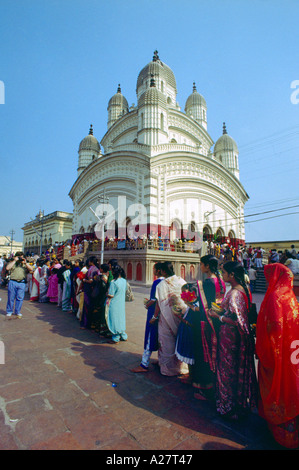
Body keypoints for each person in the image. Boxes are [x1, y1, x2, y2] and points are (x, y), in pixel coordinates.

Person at [255, 263, 299, 449]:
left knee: (276, 386)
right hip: (291, 352)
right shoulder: (291, 296)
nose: (266, 281)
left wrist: (263, 349)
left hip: (276, 353)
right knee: (289, 385)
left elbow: (273, 328)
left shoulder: (274, 297)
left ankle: (278, 427)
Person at [208, 261, 257, 420]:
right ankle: (237, 404)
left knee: (227, 371)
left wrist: (218, 316)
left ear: (232, 275)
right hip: (236, 339)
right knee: (235, 370)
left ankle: (227, 406)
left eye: (224, 272)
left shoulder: (235, 293)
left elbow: (238, 321)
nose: (222, 275)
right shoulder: (243, 289)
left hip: (230, 338)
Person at [188, 255, 226, 400]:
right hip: (216, 321)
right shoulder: (221, 281)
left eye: (201, 264)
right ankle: (215, 383)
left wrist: (192, 307)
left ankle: (204, 387)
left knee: (204, 352)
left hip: (205, 323)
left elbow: (206, 307)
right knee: (214, 351)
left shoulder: (207, 283)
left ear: (207, 266)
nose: (200, 267)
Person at [151, 261, 188, 377]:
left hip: (166, 319)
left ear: (163, 271)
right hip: (181, 316)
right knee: (179, 340)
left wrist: (154, 317)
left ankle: (168, 369)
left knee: (166, 342)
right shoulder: (181, 281)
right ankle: (181, 367)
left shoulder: (161, 285)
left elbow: (158, 303)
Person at [131, 262, 164, 373]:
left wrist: (147, 304)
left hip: (154, 313)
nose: (153, 270)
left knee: (150, 336)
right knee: (161, 337)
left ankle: (144, 363)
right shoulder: (167, 282)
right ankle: (161, 360)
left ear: (158, 270)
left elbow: (154, 300)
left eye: (154, 269)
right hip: (164, 314)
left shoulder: (157, 283)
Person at [5, 252, 33, 319]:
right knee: (11, 297)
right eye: (19, 257)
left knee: (20, 298)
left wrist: (25, 263)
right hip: (13, 281)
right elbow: (7, 268)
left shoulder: (24, 264)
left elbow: (31, 269)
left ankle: (17, 311)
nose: (20, 258)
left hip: (21, 282)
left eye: (21, 257)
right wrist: (15, 260)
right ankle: (9, 311)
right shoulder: (13, 263)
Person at [106, 265, 127, 343]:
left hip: (114, 303)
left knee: (114, 319)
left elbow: (111, 295)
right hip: (121, 303)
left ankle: (116, 337)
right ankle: (123, 335)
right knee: (121, 318)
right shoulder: (124, 281)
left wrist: (106, 294)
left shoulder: (113, 282)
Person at [80, 257, 100, 329]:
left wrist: (84, 280)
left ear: (91, 262)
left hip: (89, 290)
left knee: (87, 307)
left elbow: (91, 281)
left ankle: (86, 324)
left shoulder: (91, 269)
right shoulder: (97, 269)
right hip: (95, 290)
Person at [90, 263, 110, 334]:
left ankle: (97, 327)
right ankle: (100, 328)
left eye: (100, 268)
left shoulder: (99, 277)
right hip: (104, 297)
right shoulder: (108, 278)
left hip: (99, 297)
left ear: (102, 269)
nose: (99, 269)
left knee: (98, 312)